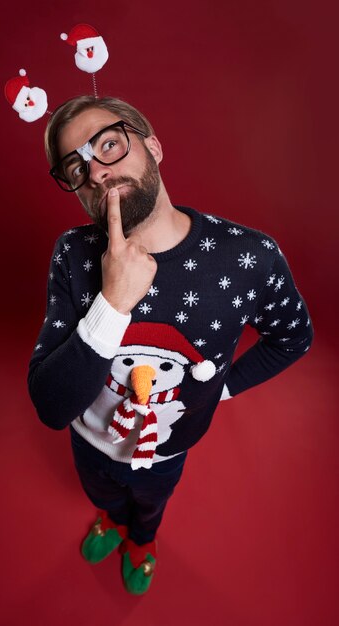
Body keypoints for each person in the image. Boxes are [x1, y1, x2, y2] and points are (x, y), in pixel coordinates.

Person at [28, 95, 314, 595]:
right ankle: (112, 522)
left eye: (110, 145)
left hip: (167, 449)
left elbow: (293, 338)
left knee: (150, 506)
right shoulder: (73, 255)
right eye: (77, 167)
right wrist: (113, 303)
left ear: (154, 146)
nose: (96, 173)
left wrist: (219, 390)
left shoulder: (250, 256)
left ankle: (142, 542)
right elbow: (51, 406)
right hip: (88, 440)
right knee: (104, 495)